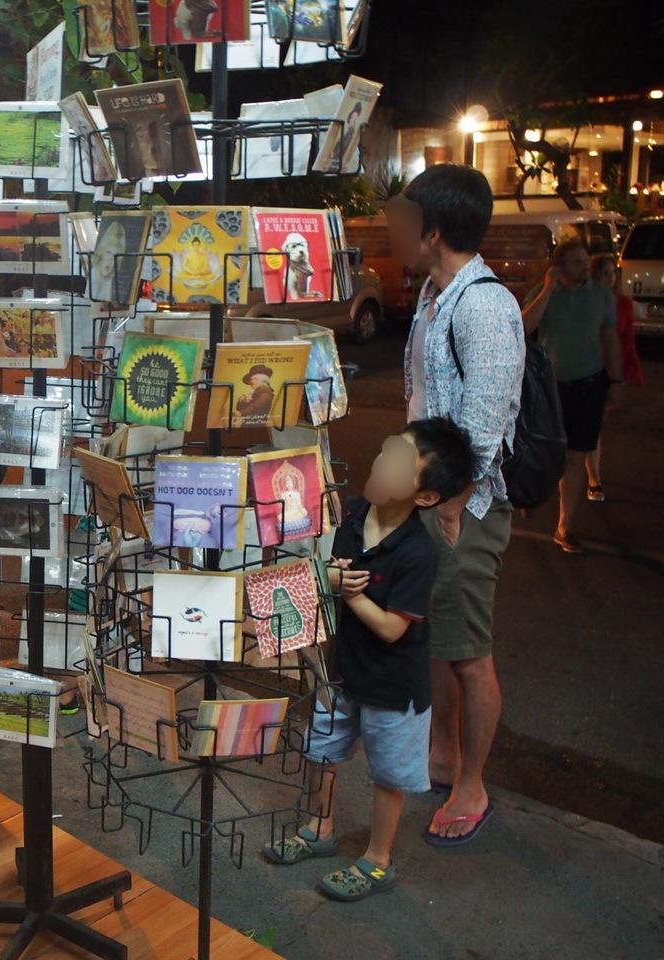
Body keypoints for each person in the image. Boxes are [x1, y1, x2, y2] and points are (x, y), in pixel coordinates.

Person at [262, 418, 477, 900]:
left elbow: (392, 628)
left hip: (392, 687)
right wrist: (327, 580)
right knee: (322, 752)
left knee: (387, 775)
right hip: (341, 671)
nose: (382, 464)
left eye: (401, 463)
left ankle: (378, 860)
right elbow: (330, 574)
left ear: (425, 496)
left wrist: (349, 593)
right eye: (387, 451)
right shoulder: (354, 514)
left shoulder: (418, 552)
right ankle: (319, 828)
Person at [387, 164, 525, 845]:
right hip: (430, 500)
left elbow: (483, 426)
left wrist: (448, 507)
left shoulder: (484, 306)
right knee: (437, 643)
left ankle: (472, 786)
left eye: (407, 219)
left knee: (469, 655)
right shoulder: (432, 297)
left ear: (435, 230)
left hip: (463, 510)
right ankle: (442, 756)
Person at [521, 239, 624, 551]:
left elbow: (610, 337)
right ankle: (532, 491)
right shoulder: (545, 292)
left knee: (577, 455)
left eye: (585, 260)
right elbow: (522, 327)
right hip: (550, 388)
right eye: (577, 262)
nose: (585, 267)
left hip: (589, 385)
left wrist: (617, 381)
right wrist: (547, 289)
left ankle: (564, 527)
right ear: (559, 267)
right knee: (546, 450)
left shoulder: (601, 295)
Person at [585, 253, 644, 501]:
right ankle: (589, 477)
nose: (609, 278)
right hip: (584, 369)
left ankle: (593, 477)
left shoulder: (623, 304)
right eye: (604, 273)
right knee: (586, 427)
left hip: (607, 372)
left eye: (612, 273)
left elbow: (627, 341)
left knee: (593, 427)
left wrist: (628, 372)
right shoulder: (585, 301)